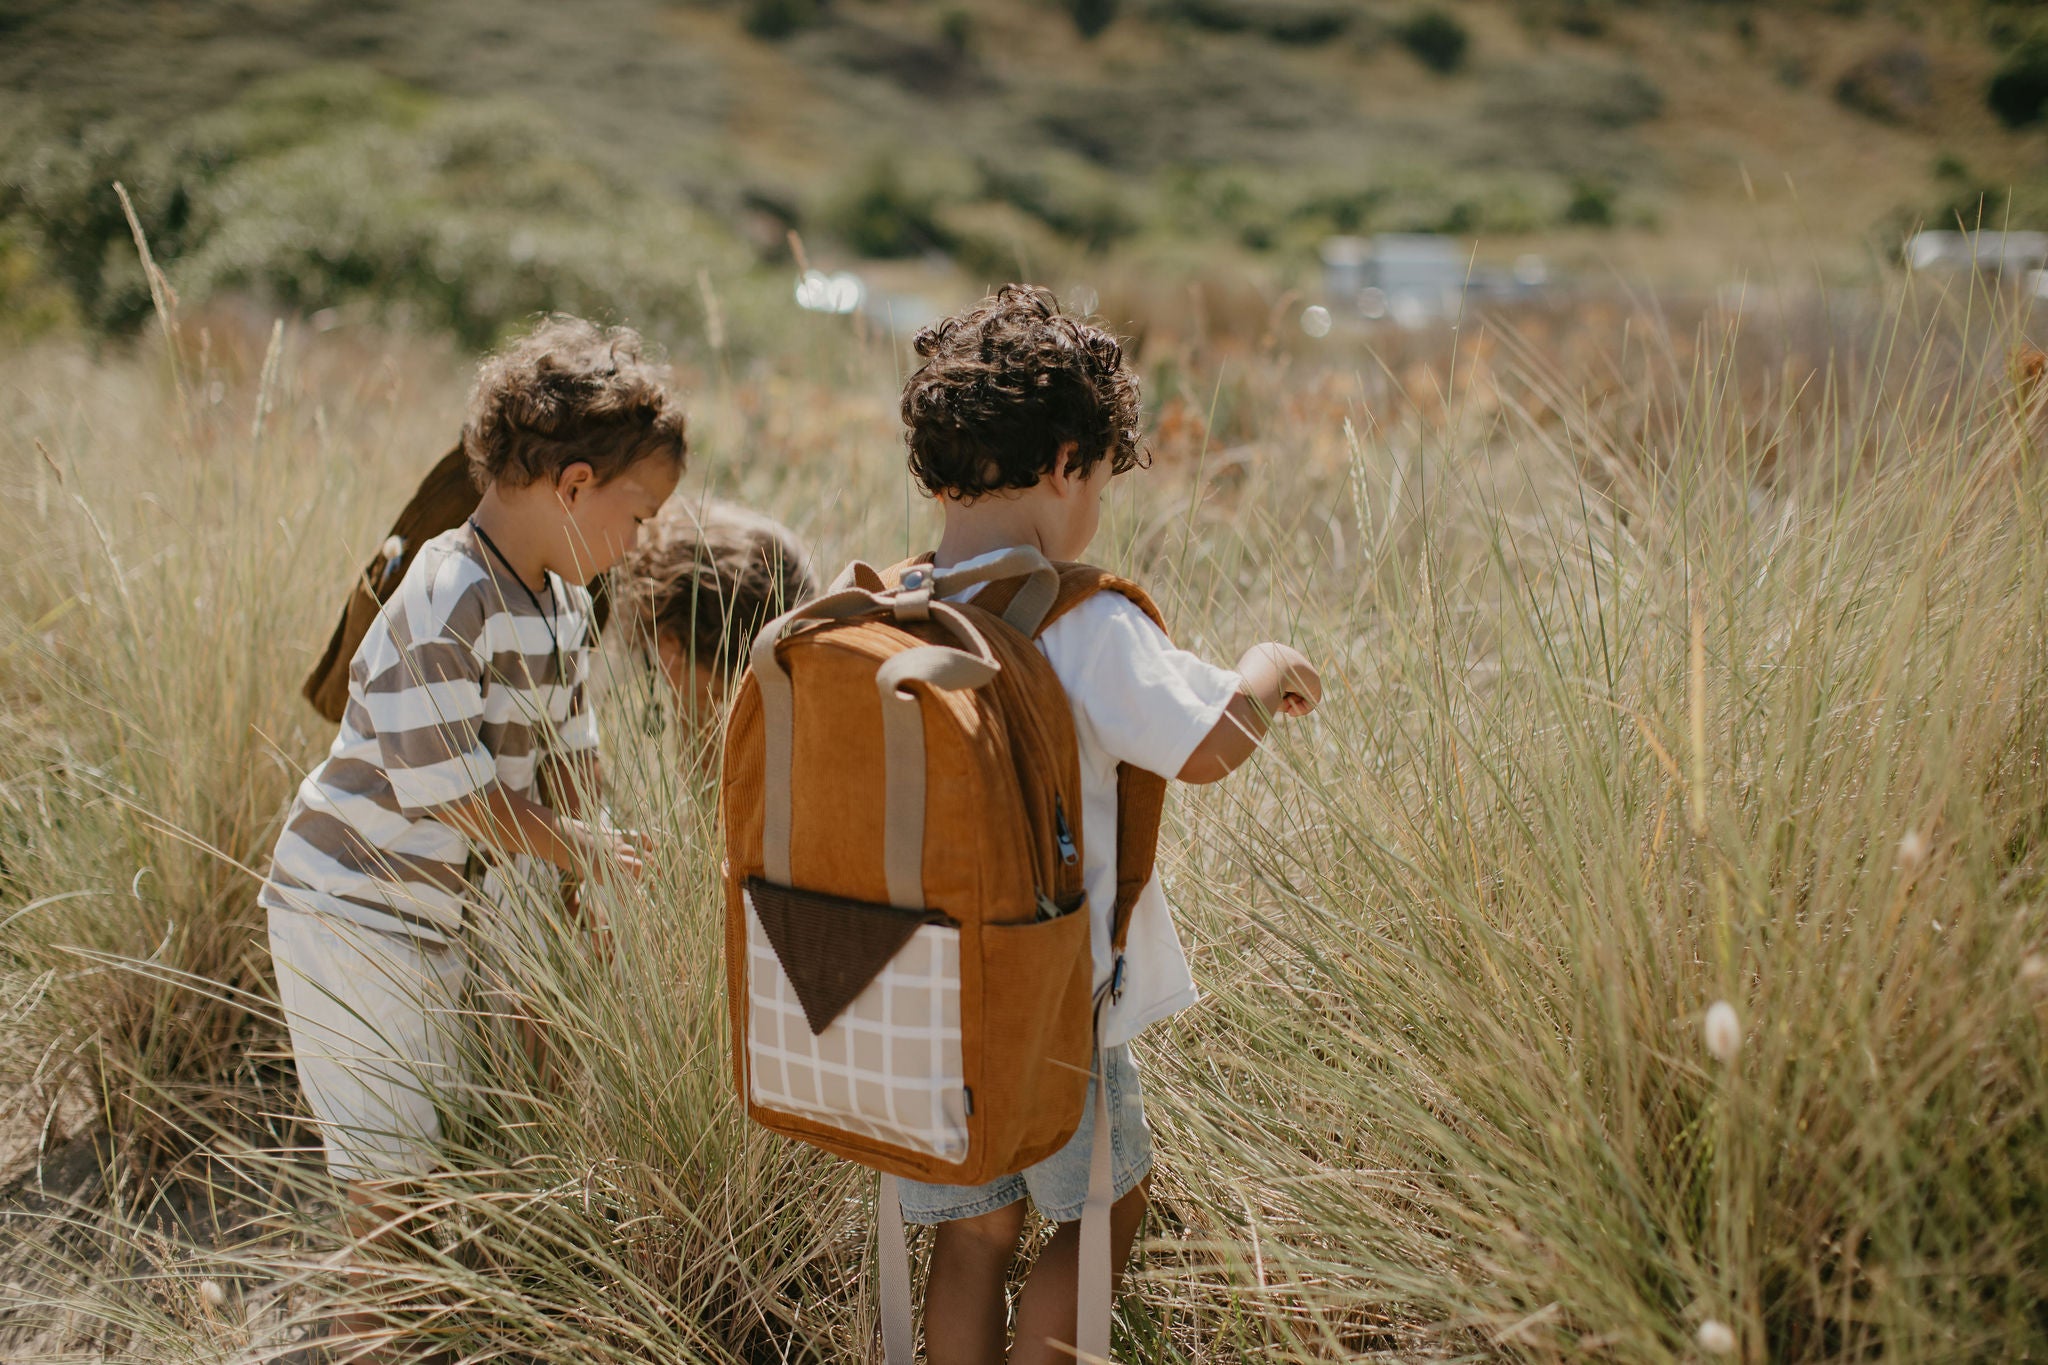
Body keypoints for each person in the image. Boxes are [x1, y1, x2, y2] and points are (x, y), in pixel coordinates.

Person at [892, 284, 1322, 1365]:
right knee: (1102, 1212)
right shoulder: (1081, 620)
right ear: (1068, 462)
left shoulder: (893, 608)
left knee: (973, 1232)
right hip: (1046, 1010)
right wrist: (1263, 672)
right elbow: (1206, 746)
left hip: (910, 996)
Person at [258, 316, 685, 1356]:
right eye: (640, 515)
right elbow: (447, 788)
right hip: (349, 909)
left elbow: (568, 752)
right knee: (392, 1197)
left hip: (423, 920)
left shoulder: (555, 605)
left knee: (429, 1168)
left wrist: (597, 872)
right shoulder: (447, 595)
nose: (644, 543)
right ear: (574, 485)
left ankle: (410, 1324)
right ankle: (369, 1336)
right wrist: (574, 849)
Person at [611, 497, 816, 736]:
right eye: (719, 696)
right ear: (672, 645)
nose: (719, 710)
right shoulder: (586, 642)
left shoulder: (654, 629)